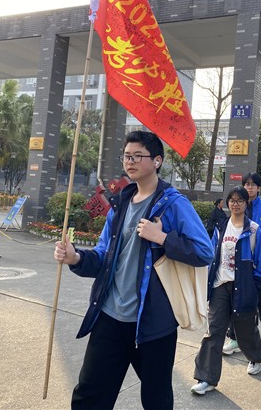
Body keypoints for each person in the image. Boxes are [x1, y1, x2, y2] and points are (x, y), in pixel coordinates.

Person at [53, 131, 214, 410]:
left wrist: (162, 238)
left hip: (153, 325)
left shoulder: (174, 204)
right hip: (109, 317)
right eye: (127, 156)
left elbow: (204, 252)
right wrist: (75, 257)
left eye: (138, 156)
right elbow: (104, 256)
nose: (130, 161)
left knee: (156, 400)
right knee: (89, 395)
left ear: (157, 161)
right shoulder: (121, 203)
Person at [191, 186, 261, 395]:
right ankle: (206, 378)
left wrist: (255, 287)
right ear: (227, 203)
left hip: (243, 288)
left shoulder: (253, 230)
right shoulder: (221, 227)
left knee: (245, 330)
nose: (236, 204)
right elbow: (211, 255)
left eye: (240, 200)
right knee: (214, 332)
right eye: (232, 200)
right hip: (220, 286)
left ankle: (255, 357)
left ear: (246, 203)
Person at [223, 172, 261, 353]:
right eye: (246, 184)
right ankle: (234, 338)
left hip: (258, 264)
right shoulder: (236, 208)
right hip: (236, 264)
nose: (249, 187)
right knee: (236, 301)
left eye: (252, 184)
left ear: (258, 188)